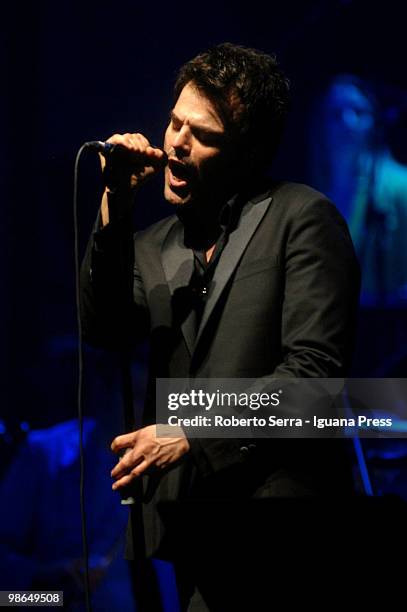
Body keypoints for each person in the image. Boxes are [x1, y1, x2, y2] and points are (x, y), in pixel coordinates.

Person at [80, 43, 360, 610]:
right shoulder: (154, 245)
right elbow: (104, 328)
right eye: (174, 123)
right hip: (193, 534)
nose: (176, 142)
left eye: (202, 134)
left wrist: (192, 430)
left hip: (284, 535)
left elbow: (314, 379)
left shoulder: (301, 219)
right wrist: (115, 203)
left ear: (248, 151)